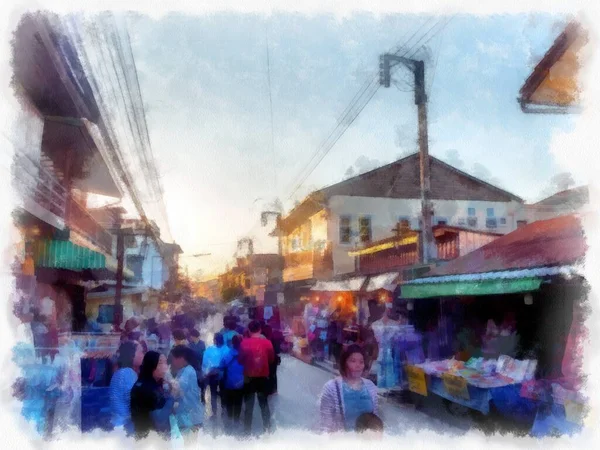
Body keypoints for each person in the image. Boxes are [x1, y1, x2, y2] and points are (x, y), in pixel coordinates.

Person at [319, 344, 378, 433]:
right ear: (344, 363)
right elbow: (325, 425)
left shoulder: (370, 387)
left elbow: (375, 419)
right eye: (353, 361)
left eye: (361, 362)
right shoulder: (331, 388)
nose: (358, 365)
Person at [239, 320, 275, 435]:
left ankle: (247, 432)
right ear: (260, 330)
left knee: (249, 405)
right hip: (263, 378)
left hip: (248, 378)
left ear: (249, 331)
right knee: (264, 404)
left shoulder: (243, 343)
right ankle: (267, 430)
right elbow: (271, 359)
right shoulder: (268, 343)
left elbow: (240, 360)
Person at [130, 351, 175, 440]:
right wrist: (171, 397)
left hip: (156, 436)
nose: (165, 366)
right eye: (160, 363)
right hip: (150, 438)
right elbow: (160, 419)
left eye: (165, 362)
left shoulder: (155, 383)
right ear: (151, 365)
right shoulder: (145, 388)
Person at [109, 340, 144, 434]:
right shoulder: (128, 373)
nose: (143, 355)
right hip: (125, 425)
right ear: (132, 355)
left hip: (117, 423)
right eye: (140, 352)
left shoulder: (120, 372)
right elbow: (135, 401)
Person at [169, 345, 204, 438]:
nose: (172, 362)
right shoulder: (182, 371)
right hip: (186, 417)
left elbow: (177, 389)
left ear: (181, 359)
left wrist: (166, 375)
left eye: (173, 359)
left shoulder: (188, 371)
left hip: (191, 418)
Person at [220, 334, 245, 431]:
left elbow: (221, 367)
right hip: (241, 384)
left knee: (230, 403)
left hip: (229, 384)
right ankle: (236, 421)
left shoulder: (227, 355)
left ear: (232, 343)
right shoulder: (245, 355)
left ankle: (229, 423)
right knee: (238, 402)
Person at [202, 333, 228, 417]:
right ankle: (224, 411)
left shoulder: (209, 349)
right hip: (223, 374)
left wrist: (205, 373)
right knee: (223, 393)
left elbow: (205, 363)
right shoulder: (226, 349)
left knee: (213, 393)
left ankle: (214, 413)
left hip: (212, 374)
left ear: (215, 340)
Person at [261, 324, 281, 395]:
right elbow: (277, 350)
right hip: (273, 360)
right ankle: (273, 390)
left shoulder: (262, 339)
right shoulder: (272, 338)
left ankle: (267, 390)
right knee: (273, 374)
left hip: (266, 360)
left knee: (266, 375)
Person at [188, 329, 206, 402]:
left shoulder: (202, 344)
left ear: (194, 336)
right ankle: (195, 397)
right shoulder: (190, 345)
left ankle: (202, 396)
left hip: (200, 366)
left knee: (201, 382)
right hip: (193, 367)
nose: (190, 337)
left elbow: (204, 355)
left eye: (191, 336)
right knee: (194, 382)